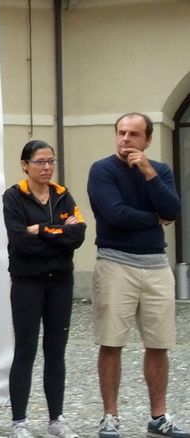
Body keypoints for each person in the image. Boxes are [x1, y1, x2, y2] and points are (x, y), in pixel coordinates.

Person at [87, 112, 189, 438]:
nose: (125, 139)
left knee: (159, 344)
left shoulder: (160, 171)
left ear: (147, 140)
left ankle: (158, 417)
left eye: (133, 134)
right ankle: (110, 417)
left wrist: (148, 173)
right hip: (115, 264)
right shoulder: (102, 170)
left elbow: (173, 210)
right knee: (111, 343)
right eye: (121, 132)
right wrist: (155, 219)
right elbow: (114, 214)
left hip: (156, 266)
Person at [2, 140, 86, 438]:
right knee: (25, 349)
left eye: (51, 161)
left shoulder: (62, 195)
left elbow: (78, 236)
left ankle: (56, 419)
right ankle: (19, 421)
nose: (47, 167)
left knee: (56, 350)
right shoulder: (13, 196)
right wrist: (59, 235)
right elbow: (20, 242)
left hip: (60, 282)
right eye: (40, 161)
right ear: (25, 165)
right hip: (27, 282)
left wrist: (41, 229)